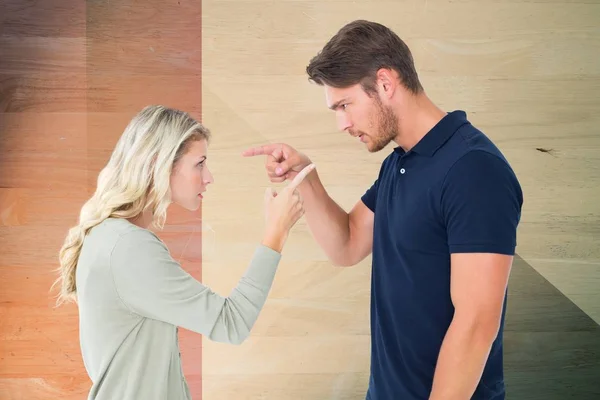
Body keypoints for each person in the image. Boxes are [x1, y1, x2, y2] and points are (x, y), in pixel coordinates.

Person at [243, 20, 523, 400]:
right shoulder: (400, 164)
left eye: (345, 105)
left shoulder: (473, 169)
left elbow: (476, 325)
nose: (341, 123)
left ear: (386, 83)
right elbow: (347, 244)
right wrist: (305, 177)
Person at [52, 105, 315, 400]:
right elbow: (232, 323)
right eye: (199, 163)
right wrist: (276, 231)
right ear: (158, 162)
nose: (209, 177)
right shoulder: (128, 247)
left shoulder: (108, 237)